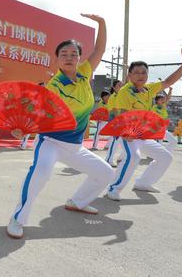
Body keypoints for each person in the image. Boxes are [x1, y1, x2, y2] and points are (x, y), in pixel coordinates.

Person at [7, 14, 114, 239]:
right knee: (41, 173)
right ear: (56, 59)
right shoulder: (53, 87)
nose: (69, 58)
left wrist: (102, 23)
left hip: (75, 146)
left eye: (73, 54)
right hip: (51, 142)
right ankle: (18, 217)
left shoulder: (84, 74)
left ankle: (77, 201)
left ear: (79, 59)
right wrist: (23, 129)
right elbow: (38, 114)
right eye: (63, 54)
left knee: (106, 173)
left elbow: (100, 51)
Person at [106, 50, 182, 200]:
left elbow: (169, 81)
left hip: (143, 134)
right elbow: (123, 115)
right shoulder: (125, 92)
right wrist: (128, 134)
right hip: (128, 133)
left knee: (165, 157)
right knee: (133, 157)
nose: (140, 75)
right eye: (136, 72)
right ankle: (114, 188)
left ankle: (143, 183)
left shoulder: (149, 89)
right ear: (129, 76)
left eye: (144, 72)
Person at [104, 80, 123, 166]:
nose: (121, 87)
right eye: (119, 85)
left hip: (121, 120)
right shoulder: (114, 97)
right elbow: (115, 110)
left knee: (122, 141)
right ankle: (108, 159)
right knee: (115, 140)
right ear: (114, 88)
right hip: (116, 120)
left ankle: (120, 157)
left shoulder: (121, 96)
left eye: (122, 85)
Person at [153, 87, 177, 152]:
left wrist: (170, 90)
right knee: (159, 145)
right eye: (161, 99)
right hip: (157, 129)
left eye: (163, 99)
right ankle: (157, 157)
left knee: (174, 141)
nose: (163, 100)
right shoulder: (153, 108)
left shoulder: (163, 106)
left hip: (163, 128)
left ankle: (165, 153)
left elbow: (168, 98)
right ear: (156, 101)